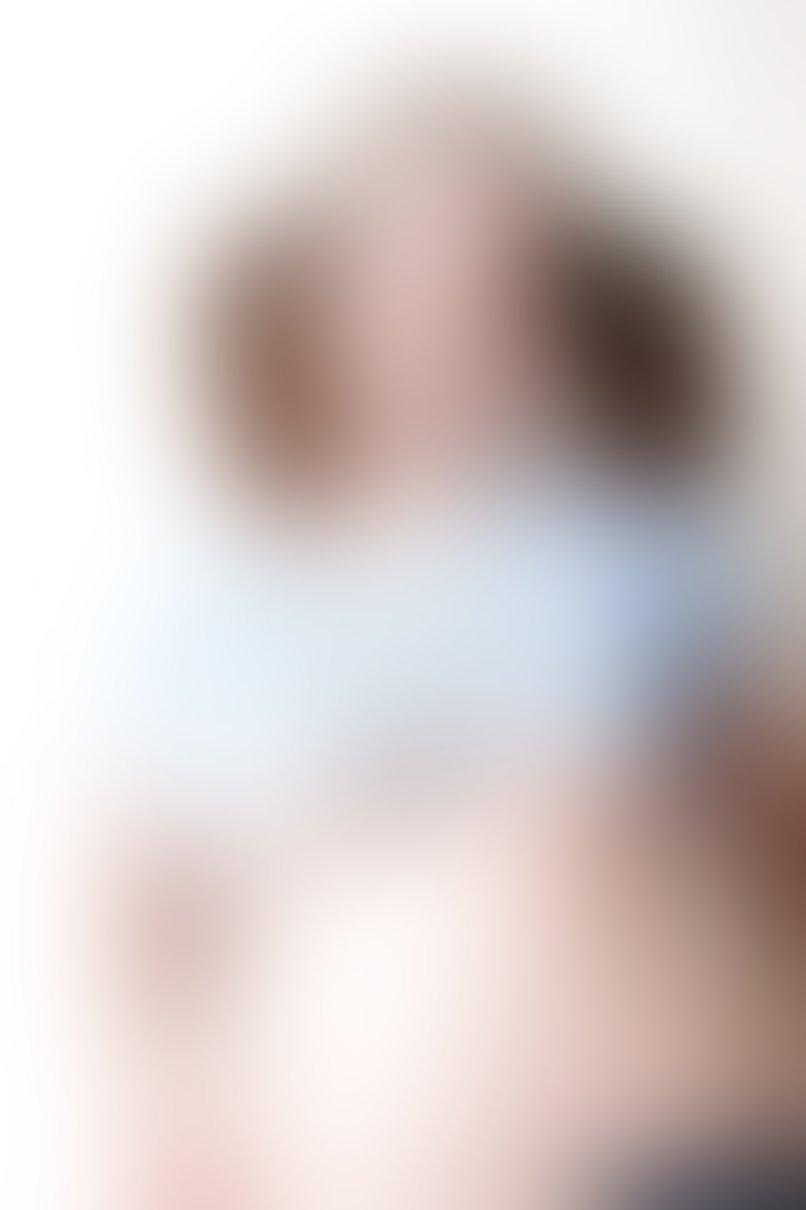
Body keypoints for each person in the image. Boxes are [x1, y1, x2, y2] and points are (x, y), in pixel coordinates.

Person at [99, 90, 804, 1209]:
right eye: (407, 283)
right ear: (324, 311)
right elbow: (145, 927)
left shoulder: (650, 559)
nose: (450, 325)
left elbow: (778, 839)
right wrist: (166, 1128)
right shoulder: (223, 613)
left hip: (673, 1151)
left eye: (498, 288)